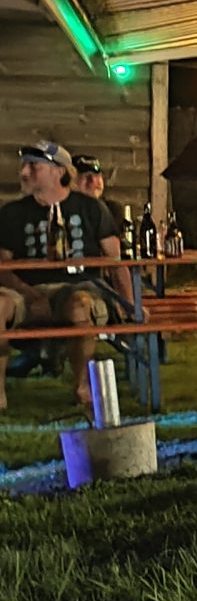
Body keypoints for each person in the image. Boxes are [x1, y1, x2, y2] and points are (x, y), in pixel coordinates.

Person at [0, 139, 123, 413]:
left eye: (33, 166)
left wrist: (130, 304)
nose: (24, 172)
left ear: (58, 171)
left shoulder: (90, 208)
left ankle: (81, 386)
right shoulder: (12, 213)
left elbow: (116, 262)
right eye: (23, 166)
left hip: (77, 287)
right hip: (25, 291)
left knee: (80, 305)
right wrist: (30, 294)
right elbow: (3, 268)